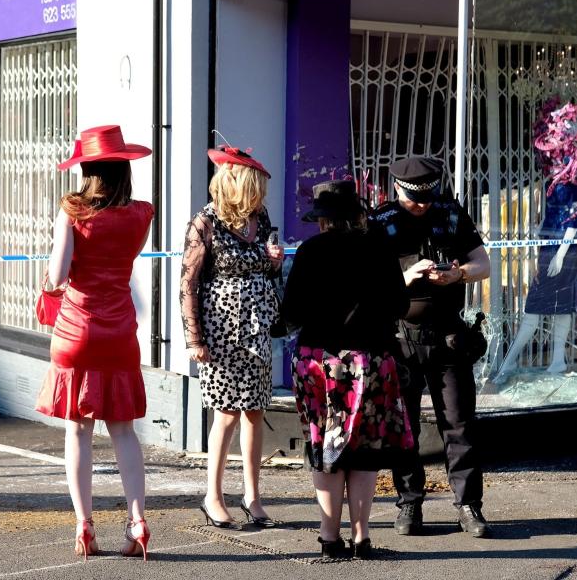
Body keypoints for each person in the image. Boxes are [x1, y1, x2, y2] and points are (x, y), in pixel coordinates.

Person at [34, 125, 154, 561]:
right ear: (123, 168)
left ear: (87, 168)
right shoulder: (142, 214)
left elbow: (58, 276)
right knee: (123, 429)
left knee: (78, 430)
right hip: (119, 331)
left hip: (75, 332)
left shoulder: (73, 211)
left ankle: (85, 526)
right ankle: (137, 521)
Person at [281, 180, 413, 559]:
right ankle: (362, 537)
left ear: (323, 220)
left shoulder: (309, 251)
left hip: (318, 363)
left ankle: (328, 538)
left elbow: (290, 315)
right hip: (369, 361)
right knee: (365, 451)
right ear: (358, 214)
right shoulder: (380, 249)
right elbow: (401, 308)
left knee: (324, 446)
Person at [368, 156, 492, 538]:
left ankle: (468, 505)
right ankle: (409, 502)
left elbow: (482, 263)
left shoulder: (450, 214)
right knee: (404, 429)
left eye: (427, 197)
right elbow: (368, 285)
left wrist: (457, 274)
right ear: (398, 190)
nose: (420, 205)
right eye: (413, 199)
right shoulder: (381, 222)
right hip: (400, 339)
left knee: (459, 424)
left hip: (448, 337)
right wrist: (406, 277)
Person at [179, 144, 283, 530]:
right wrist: (194, 338)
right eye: (256, 186)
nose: (262, 195)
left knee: (255, 411)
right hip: (221, 328)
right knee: (226, 413)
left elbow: (269, 269)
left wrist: (275, 261)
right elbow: (187, 283)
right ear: (238, 184)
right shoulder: (204, 223)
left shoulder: (261, 216)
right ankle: (213, 496)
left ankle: (253, 497)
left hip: (256, 328)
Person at [495, 100, 577, 383]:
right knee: (540, 307)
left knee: (544, 306)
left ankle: (536, 361)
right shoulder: (558, 179)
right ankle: (536, 361)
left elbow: (574, 220)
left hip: (561, 250)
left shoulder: (572, 181)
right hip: (552, 247)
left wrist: (561, 254)